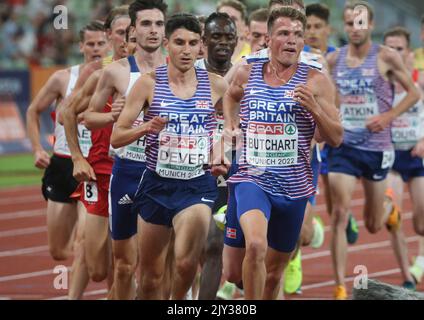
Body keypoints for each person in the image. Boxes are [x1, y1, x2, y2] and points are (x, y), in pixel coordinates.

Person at [222, 7, 343, 300]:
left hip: (294, 187)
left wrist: (314, 108)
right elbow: (229, 93)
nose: (292, 40)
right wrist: (229, 124)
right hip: (253, 178)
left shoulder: (316, 81)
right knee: (254, 248)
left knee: (274, 274)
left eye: (298, 35)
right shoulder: (247, 70)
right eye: (284, 33)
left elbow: (336, 137)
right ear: (268, 39)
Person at [111, 13, 228, 300]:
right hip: (156, 185)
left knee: (187, 263)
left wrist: (220, 150)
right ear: (167, 44)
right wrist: (147, 127)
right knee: (151, 279)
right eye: (179, 42)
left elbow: (231, 125)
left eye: (192, 43)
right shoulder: (147, 85)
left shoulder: (216, 85)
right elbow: (117, 136)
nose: (186, 50)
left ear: (201, 46)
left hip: (196, 186)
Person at [64, 0, 168, 299]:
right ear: (133, 32)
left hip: (167, 172)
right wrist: (111, 116)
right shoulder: (114, 72)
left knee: (160, 266)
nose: (153, 31)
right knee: (122, 266)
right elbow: (86, 117)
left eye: (159, 24)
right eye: (146, 24)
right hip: (126, 170)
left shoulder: (179, 70)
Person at [327, 1, 420, 299]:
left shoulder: (386, 57)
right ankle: (340, 285)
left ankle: (388, 212)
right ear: (344, 26)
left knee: (373, 223)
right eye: (350, 23)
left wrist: (387, 117)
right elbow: (329, 98)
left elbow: (414, 93)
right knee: (339, 214)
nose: (355, 28)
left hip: (378, 149)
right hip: (345, 146)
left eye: (361, 23)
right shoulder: (334, 61)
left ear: (371, 25)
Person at [26, 21, 109, 299]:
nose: (97, 49)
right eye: (91, 44)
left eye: (101, 43)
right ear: (81, 46)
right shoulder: (64, 78)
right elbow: (33, 110)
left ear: (108, 44)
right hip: (62, 165)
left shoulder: (114, 76)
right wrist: (37, 148)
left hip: (94, 166)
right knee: (59, 250)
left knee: (84, 240)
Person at [62, 7, 131, 298]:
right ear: (109, 36)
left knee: (126, 261)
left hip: (137, 173)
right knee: (96, 265)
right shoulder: (99, 74)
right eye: (121, 33)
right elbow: (69, 113)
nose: (128, 39)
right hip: (100, 173)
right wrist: (77, 156)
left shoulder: (157, 76)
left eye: (132, 32)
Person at [194, 11, 237, 300]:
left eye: (229, 37)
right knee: (182, 250)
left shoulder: (244, 76)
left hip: (228, 170)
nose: (223, 43)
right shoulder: (187, 71)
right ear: (204, 40)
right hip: (186, 167)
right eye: (216, 37)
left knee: (214, 244)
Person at [383, 26, 424, 290]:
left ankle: (421, 259)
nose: (393, 53)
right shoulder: (379, 82)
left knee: (421, 224)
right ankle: (407, 277)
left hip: (417, 156)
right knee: (390, 216)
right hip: (392, 157)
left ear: (408, 52)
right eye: (388, 48)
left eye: (398, 48)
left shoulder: (419, 79)